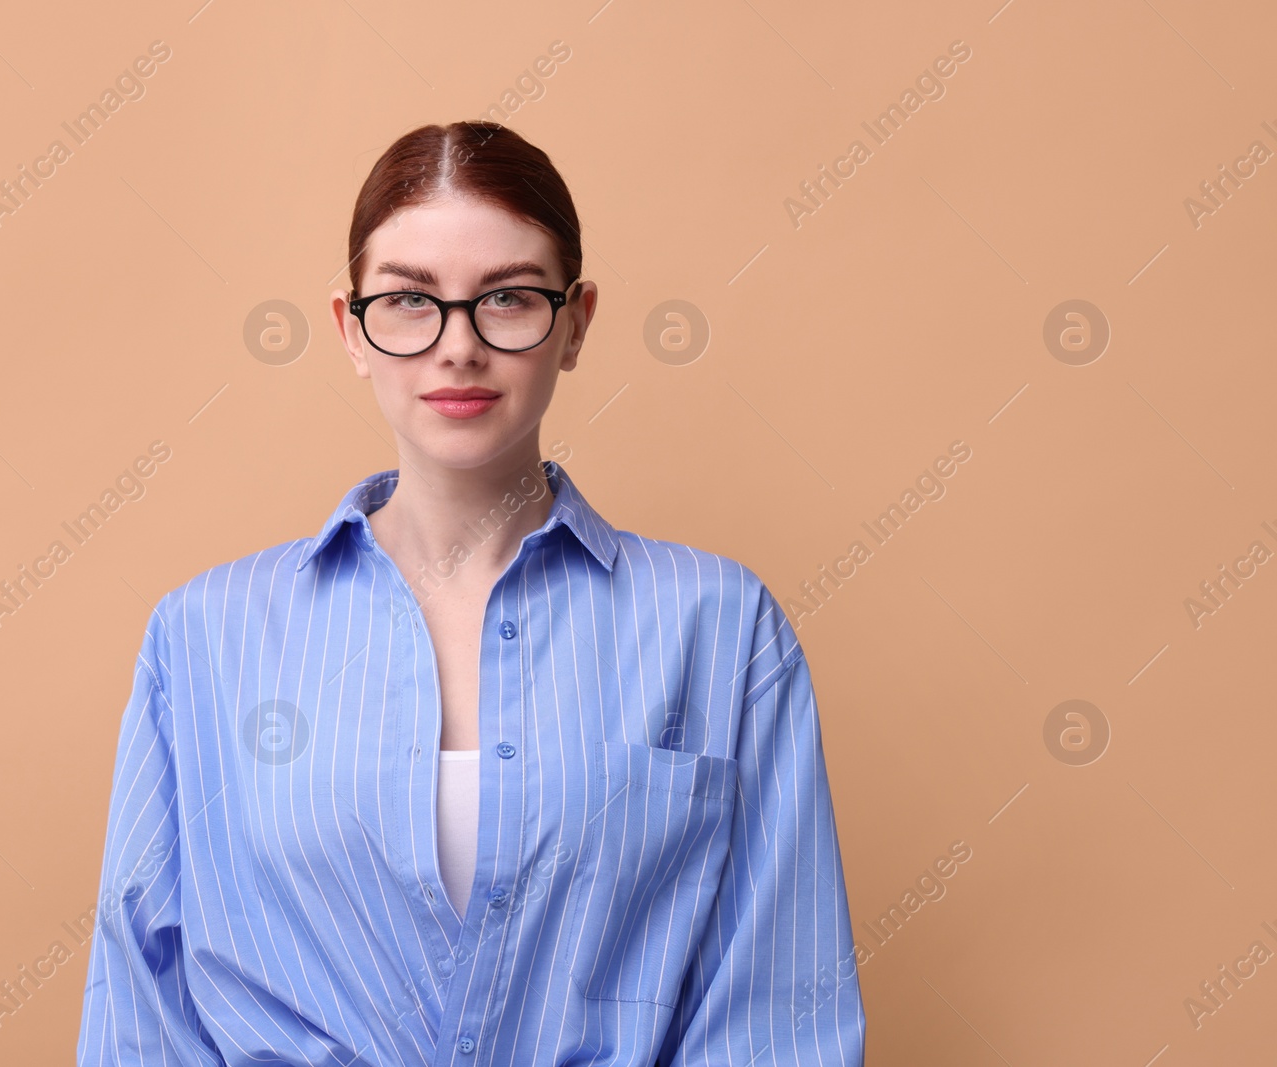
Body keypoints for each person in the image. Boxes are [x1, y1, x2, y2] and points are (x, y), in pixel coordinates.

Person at [77, 120, 865, 1066]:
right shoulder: (204, 636)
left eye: (508, 298)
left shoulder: (721, 628)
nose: (459, 347)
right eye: (410, 299)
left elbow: (781, 1013)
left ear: (575, 322)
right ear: (349, 328)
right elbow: (141, 1009)